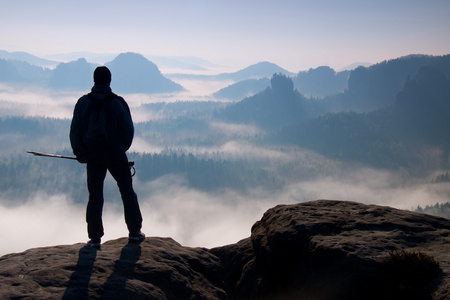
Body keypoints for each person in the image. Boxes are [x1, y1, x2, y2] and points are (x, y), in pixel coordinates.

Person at [70, 66, 144, 249]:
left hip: (93, 155)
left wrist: (80, 153)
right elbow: (128, 130)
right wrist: (119, 150)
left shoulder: (83, 102)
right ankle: (134, 232)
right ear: (109, 80)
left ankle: (95, 238)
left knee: (95, 195)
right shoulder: (117, 102)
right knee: (126, 190)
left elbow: (75, 130)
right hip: (115, 154)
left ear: (94, 80)